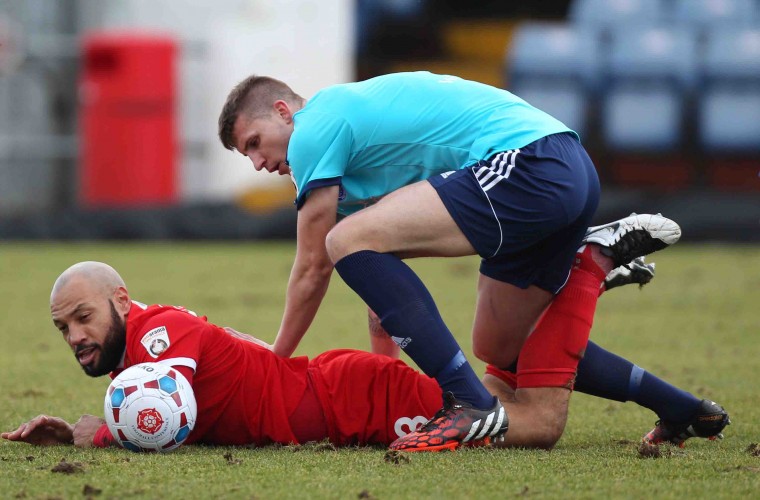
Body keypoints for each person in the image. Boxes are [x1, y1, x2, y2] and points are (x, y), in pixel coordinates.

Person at [217, 71, 683, 450]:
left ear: (283, 112)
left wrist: (274, 360)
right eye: (246, 155)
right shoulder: (353, 156)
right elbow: (377, 275)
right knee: (500, 347)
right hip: (563, 168)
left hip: (529, 163)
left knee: (343, 241)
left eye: (255, 142)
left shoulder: (312, 129)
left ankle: (470, 401)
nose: (258, 162)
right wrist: (388, 369)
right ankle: (682, 408)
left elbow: (313, 264)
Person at [2, 262, 728, 451]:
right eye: (62, 328)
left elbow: (159, 417)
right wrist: (82, 429)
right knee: (509, 376)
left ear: (122, 301)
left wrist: (97, 431)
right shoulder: (153, 351)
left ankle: (588, 269)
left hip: (358, 404)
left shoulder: (156, 334)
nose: (75, 338)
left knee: (536, 423)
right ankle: (677, 405)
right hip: (348, 391)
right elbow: (162, 406)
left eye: (83, 317)